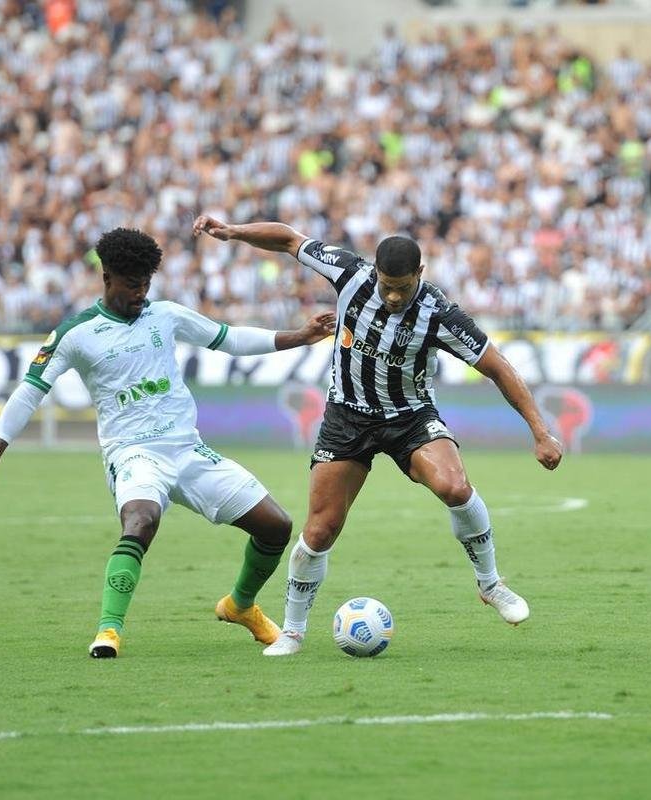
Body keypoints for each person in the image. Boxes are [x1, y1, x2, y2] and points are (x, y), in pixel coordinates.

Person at [192, 214, 563, 657]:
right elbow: (290, 239)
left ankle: (491, 584)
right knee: (321, 528)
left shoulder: (439, 314)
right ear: (375, 271)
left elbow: (498, 367)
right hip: (347, 416)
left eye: (401, 288)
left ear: (419, 276)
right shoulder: (349, 274)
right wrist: (233, 232)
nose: (391, 295)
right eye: (386, 284)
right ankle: (292, 631)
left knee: (455, 486)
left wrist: (541, 432)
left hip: (409, 416)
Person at [0, 228, 336, 659]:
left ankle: (240, 606)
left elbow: (228, 339)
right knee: (141, 520)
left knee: (276, 527)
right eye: (132, 283)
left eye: (146, 283)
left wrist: (300, 335)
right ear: (107, 277)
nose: (141, 292)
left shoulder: (165, 315)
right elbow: (29, 391)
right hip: (132, 452)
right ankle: (108, 630)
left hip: (188, 449)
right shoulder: (76, 333)